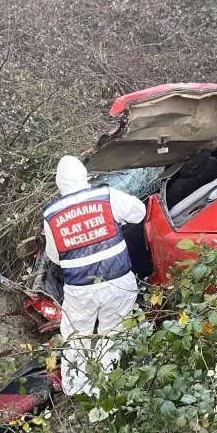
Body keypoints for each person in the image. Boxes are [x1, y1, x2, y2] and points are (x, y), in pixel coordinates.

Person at [42, 155, 146, 396]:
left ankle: (77, 390)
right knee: (113, 333)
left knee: (76, 338)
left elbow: (55, 256)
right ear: (84, 176)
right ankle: (107, 387)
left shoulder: (52, 213)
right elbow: (139, 213)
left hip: (80, 288)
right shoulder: (107, 196)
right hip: (118, 282)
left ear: (60, 183)